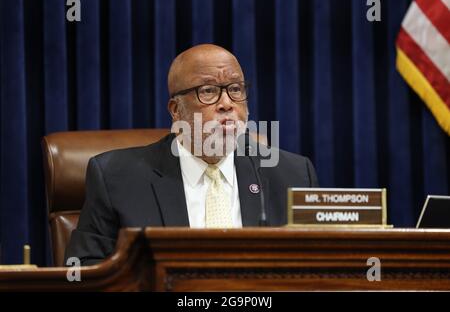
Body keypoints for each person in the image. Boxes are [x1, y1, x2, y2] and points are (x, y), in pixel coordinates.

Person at [65, 44, 318, 266]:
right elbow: (87, 270)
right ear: (176, 111)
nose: (227, 103)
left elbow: (318, 268)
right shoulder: (116, 178)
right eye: (208, 91)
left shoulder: (293, 174)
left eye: (236, 90)